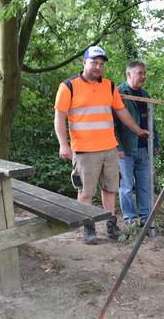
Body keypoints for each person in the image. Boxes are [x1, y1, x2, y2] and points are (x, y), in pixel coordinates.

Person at [54, 46, 149, 245]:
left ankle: (110, 224)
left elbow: (122, 111)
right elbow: (59, 117)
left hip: (109, 149)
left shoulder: (109, 85)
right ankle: (88, 227)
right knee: (86, 192)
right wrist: (64, 144)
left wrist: (137, 130)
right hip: (84, 151)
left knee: (110, 189)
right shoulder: (69, 86)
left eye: (101, 63)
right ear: (84, 62)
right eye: (94, 62)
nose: (98, 66)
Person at [114, 61, 160, 226]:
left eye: (144, 73)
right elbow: (113, 123)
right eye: (140, 73)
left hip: (144, 148)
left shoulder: (145, 94)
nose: (143, 76)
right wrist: (117, 146)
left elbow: (150, 122)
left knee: (144, 185)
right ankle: (130, 219)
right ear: (129, 74)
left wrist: (155, 142)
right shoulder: (119, 93)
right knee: (126, 185)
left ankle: (145, 217)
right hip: (126, 149)